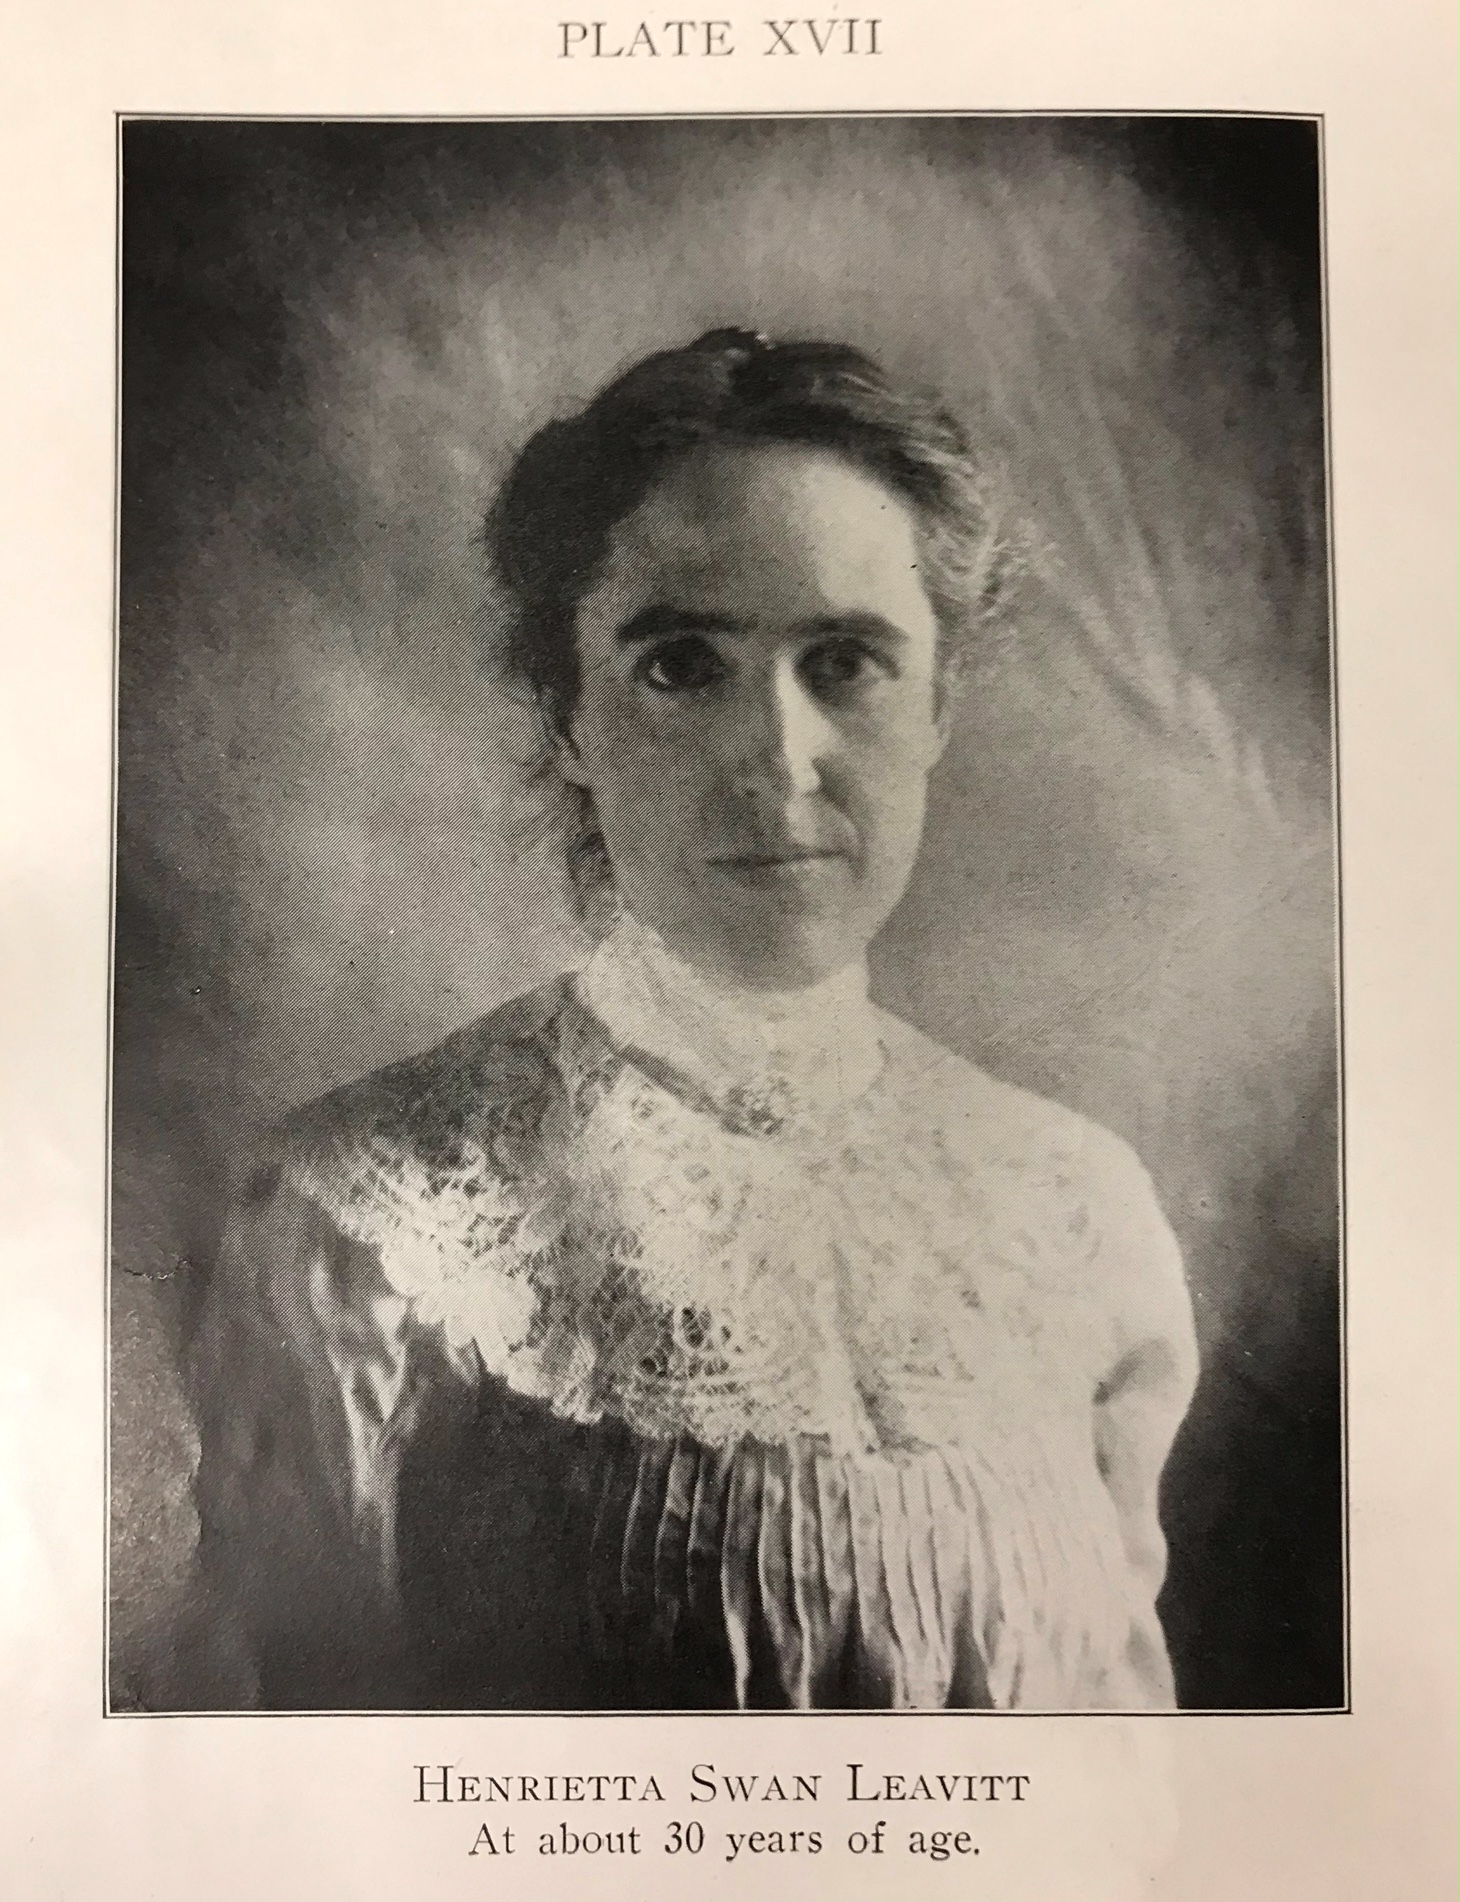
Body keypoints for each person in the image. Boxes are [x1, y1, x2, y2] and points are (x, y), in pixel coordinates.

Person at [188, 328, 1198, 1711]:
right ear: (568, 717)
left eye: (844, 663)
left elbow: (1140, 1781)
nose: (776, 760)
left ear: (941, 703)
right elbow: (279, 1798)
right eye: (681, 666)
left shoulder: (1081, 1207)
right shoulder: (363, 1226)